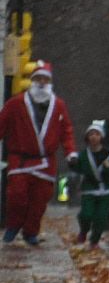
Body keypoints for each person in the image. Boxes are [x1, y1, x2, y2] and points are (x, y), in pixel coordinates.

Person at [1, 63, 74, 245]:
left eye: (45, 79)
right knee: (16, 196)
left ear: (50, 82)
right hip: (20, 160)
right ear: (32, 81)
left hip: (46, 162)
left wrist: (70, 152)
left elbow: (66, 131)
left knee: (39, 200)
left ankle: (30, 232)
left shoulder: (58, 105)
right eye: (38, 79)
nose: (41, 83)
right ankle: (13, 226)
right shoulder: (15, 103)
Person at [68, 121, 109, 247]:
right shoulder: (83, 155)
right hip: (89, 188)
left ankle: (94, 240)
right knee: (86, 214)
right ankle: (84, 230)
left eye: (97, 134)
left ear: (101, 137)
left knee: (101, 217)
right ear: (87, 137)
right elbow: (78, 168)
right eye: (91, 134)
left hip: (107, 190)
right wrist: (72, 164)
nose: (94, 137)